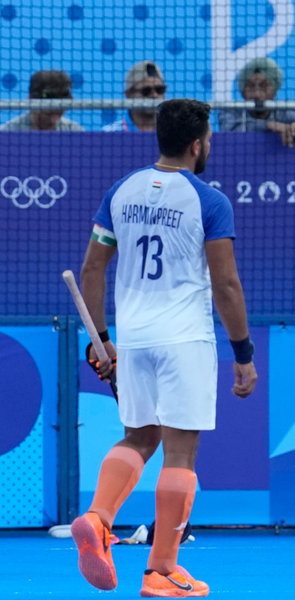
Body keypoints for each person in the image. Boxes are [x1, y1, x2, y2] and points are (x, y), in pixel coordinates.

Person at [73, 99, 257, 596]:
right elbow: (227, 285)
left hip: (131, 341)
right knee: (180, 452)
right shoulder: (209, 200)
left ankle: (98, 516)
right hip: (184, 341)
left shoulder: (121, 190)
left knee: (138, 438)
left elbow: (92, 271)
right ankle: (161, 571)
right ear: (198, 143)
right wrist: (243, 354)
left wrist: (102, 340)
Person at [218, 57, 295, 147]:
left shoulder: (287, 110)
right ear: (242, 91)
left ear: (274, 90)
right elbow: (230, 131)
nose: (257, 94)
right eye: (250, 86)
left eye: (264, 86)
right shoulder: (229, 112)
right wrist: (267, 125)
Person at [0, 70, 84, 132]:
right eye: (48, 114)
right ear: (31, 100)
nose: (53, 120)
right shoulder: (7, 132)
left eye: (58, 113)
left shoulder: (75, 132)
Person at [102, 61, 165, 132]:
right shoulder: (109, 134)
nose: (154, 95)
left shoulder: (175, 133)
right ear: (128, 95)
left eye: (159, 90)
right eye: (146, 91)